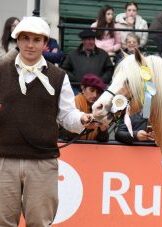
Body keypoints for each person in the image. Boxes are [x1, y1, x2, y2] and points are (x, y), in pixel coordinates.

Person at [0, 16, 93, 226]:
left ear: (45, 43)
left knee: (40, 223)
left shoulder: (59, 76)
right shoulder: (0, 71)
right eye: (25, 38)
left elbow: (68, 116)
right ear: (17, 41)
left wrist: (83, 119)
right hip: (3, 160)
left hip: (42, 162)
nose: (30, 44)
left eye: (36, 39)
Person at [59, 74, 109, 142]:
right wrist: (82, 124)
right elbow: (63, 135)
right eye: (92, 90)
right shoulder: (72, 103)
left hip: (92, 150)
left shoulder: (100, 107)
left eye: (98, 92)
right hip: (73, 149)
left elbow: (103, 140)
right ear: (83, 88)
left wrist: (103, 130)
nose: (95, 95)